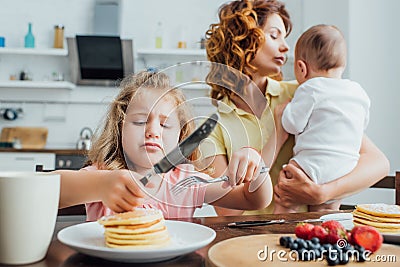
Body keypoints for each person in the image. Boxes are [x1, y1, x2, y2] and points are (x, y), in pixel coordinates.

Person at [200, 0, 389, 216]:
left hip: (305, 237)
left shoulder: (304, 93)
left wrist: (322, 193)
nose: (286, 47)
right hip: (247, 241)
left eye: (284, 37)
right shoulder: (212, 128)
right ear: (241, 41)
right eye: (274, 35)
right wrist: (279, 133)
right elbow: (228, 212)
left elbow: (378, 163)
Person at [57, 70, 273, 220]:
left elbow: (253, 199)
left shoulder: (185, 182)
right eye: (140, 121)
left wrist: (256, 164)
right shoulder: (102, 173)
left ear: (180, 136)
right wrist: (99, 185)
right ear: (119, 129)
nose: (152, 131)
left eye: (165, 124)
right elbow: (48, 190)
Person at [274, 24, 370, 213]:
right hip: (345, 167)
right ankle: (326, 231)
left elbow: (292, 124)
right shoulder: (358, 92)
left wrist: (284, 112)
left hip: (312, 164)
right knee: (326, 211)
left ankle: (280, 227)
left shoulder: (310, 88)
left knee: (287, 195)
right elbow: (361, 127)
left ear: (301, 68)